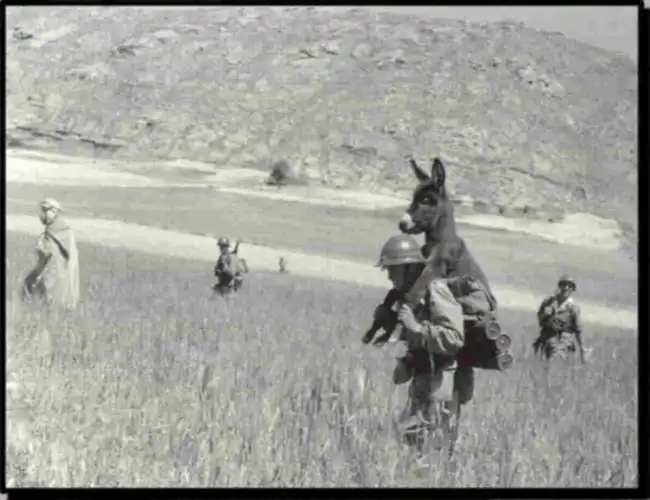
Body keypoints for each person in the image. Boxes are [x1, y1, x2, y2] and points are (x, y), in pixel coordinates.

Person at [372, 234, 475, 453]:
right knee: (410, 442)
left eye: (393, 270)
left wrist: (417, 328)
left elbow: (454, 338)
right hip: (422, 382)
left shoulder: (436, 290)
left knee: (434, 446)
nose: (389, 276)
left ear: (408, 268)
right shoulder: (412, 297)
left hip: (442, 384)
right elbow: (417, 344)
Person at [22, 198, 80, 312]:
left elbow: (46, 253)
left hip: (55, 274)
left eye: (45, 210)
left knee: (31, 287)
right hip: (62, 274)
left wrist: (40, 245)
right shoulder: (64, 230)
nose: (42, 214)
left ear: (54, 211)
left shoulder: (55, 231)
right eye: (42, 210)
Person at [533, 274, 588, 363]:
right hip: (546, 339)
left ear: (572, 289)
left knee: (556, 360)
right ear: (560, 286)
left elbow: (579, 330)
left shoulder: (573, 309)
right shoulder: (548, 302)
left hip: (563, 342)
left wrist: (583, 349)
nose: (566, 288)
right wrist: (544, 314)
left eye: (569, 286)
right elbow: (540, 320)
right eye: (564, 284)